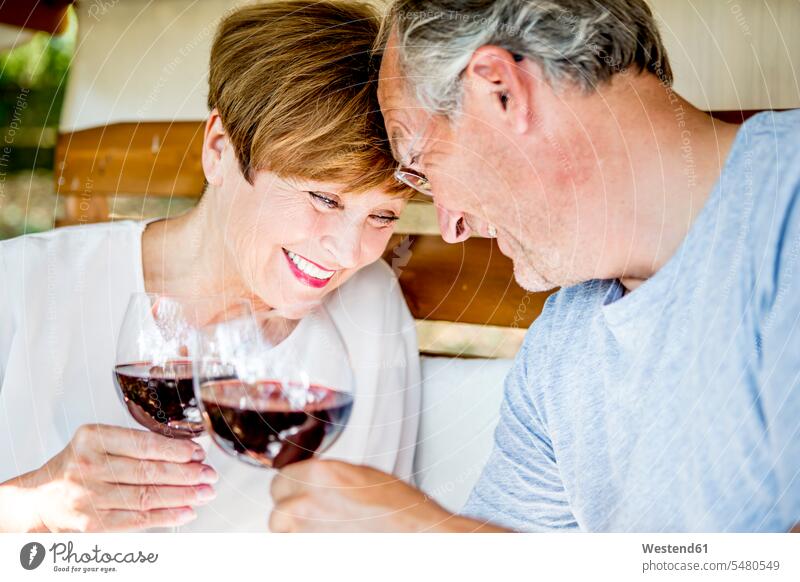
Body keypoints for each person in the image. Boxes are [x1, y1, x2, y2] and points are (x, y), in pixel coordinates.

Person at [268, 0, 800, 532]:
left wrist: (430, 539)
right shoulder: (563, 347)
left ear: (501, 88)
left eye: (423, 167)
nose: (452, 226)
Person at [0, 0, 420, 532]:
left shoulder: (368, 309)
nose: (347, 251)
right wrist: (33, 506)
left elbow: (378, 548)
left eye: (382, 214)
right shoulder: (21, 284)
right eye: (324, 198)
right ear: (220, 149)